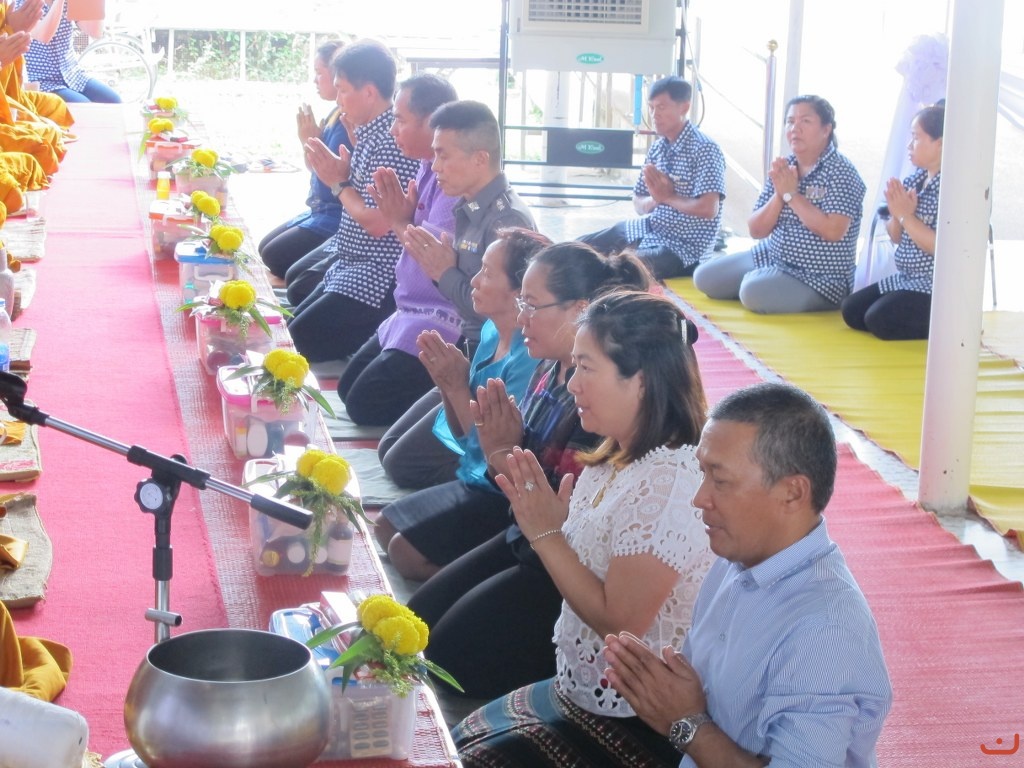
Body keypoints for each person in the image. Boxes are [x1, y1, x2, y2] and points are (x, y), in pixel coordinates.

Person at [452, 291, 713, 768]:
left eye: (586, 368)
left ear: (641, 380)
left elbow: (620, 623)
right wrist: (550, 525)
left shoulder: (673, 480)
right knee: (453, 742)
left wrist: (547, 534)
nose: (571, 383)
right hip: (580, 687)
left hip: (639, 715)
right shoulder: (614, 455)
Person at [404, 243, 652, 699]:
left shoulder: (598, 397)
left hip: (559, 564)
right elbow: (515, 481)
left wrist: (502, 453)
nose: (521, 318)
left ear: (580, 310)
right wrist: (486, 432)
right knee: (415, 619)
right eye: (521, 303)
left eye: (532, 305)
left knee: (445, 660)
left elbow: (562, 512)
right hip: (525, 535)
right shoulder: (549, 368)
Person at [603, 382, 892, 767]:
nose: (699, 498)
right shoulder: (735, 560)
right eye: (703, 474)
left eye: (720, 480)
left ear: (792, 493)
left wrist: (687, 724)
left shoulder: (824, 629)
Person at [338, 97, 536, 427]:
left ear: (480, 159)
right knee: (348, 390)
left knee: (368, 410)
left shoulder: (507, 221)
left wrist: (445, 274)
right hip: (454, 337)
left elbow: (501, 314)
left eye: (443, 156)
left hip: (480, 353)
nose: (435, 167)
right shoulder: (468, 207)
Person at [373, 228, 549, 578]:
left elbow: (492, 453)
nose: (474, 281)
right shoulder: (490, 331)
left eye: (487, 273)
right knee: (383, 526)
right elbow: (460, 436)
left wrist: (456, 387)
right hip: (474, 473)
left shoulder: (527, 358)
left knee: (404, 554)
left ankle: (487, 568)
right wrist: (447, 383)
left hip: (501, 489)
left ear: (519, 292)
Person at [285, 39, 420, 361]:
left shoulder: (390, 142)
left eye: (343, 90)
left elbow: (378, 224)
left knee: (297, 342)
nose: (338, 99)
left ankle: (375, 328)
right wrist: (342, 176)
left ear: (369, 92)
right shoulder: (369, 131)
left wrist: (338, 182)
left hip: (376, 274)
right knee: (289, 327)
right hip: (350, 261)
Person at [694, 95, 866, 313]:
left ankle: (763, 285)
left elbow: (833, 231)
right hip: (771, 256)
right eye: (790, 121)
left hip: (819, 277)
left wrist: (792, 195)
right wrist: (779, 194)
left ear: (826, 130)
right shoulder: (785, 167)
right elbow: (756, 230)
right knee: (705, 277)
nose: (795, 128)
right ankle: (764, 283)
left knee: (752, 292)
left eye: (805, 121)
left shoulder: (842, 172)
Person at [578, 76, 725, 280]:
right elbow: (638, 201)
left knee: (615, 270)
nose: (654, 115)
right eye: (651, 107)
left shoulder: (705, 149)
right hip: (650, 228)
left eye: (661, 107)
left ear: (684, 107)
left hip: (684, 247)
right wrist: (655, 199)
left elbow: (709, 209)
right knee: (580, 248)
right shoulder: (657, 148)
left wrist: (668, 197)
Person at [841, 104, 944, 340]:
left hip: (934, 286)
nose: (909, 145)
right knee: (851, 310)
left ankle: (953, 322)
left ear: (940, 143)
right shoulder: (914, 180)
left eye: (916, 137)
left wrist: (906, 216)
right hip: (906, 278)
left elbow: (941, 248)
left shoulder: (952, 187)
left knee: (878, 320)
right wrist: (898, 214)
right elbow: (896, 237)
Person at [258, 40, 352, 280]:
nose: (315, 80)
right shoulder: (335, 113)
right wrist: (307, 142)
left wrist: (311, 142)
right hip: (320, 209)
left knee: (274, 256)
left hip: (336, 216)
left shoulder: (348, 122)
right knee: (264, 248)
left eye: (319, 73)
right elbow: (315, 168)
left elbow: (332, 178)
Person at [19, 0, 121, 103]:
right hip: (40, 79)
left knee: (114, 101)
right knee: (85, 106)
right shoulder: (24, 3)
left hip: (72, 74)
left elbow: (94, 31)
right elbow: (44, 36)